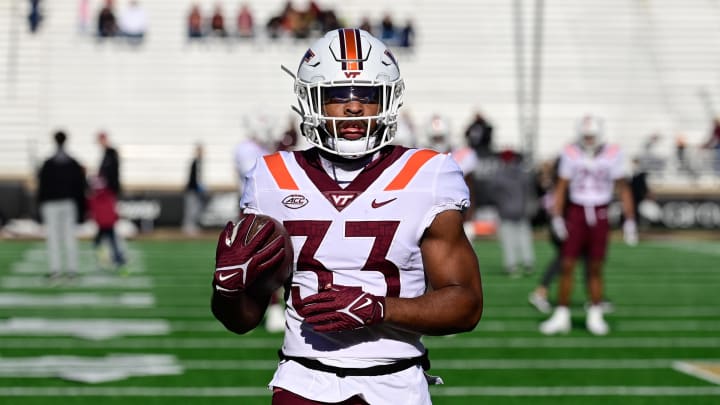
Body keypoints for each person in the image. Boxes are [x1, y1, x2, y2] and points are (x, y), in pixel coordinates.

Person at [211, 29, 483, 404]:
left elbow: (465, 305)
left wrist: (378, 308)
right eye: (337, 94)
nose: (354, 107)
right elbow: (242, 320)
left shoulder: (429, 174)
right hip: (303, 380)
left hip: (397, 384)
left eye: (367, 95)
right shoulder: (270, 178)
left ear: (388, 98)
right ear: (311, 99)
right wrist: (227, 289)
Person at [540, 115, 637, 336]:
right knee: (567, 265)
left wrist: (630, 220)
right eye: (586, 136)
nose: (589, 140)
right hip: (576, 211)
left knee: (595, 267)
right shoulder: (570, 152)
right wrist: (557, 216)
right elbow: (562, 186)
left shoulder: (613, 153)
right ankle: (562, 314)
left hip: (600, 211)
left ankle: (595, 313)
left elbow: (623, 187)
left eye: (592, 136)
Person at [37, 131, 87, 279]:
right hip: (68, 203)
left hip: (51, 204)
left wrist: (40, 206)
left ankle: (55, 270)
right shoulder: (73, 163)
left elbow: (42, 186)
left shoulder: (48, 163)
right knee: (69, 236)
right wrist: (82, 208)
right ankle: (72, 270)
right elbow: (80, 187)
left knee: (53, 237)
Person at [488, 150, 535, 277]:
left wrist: (500, 203)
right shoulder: (523, 174)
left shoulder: (498, 174)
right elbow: (528, 191)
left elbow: (493, 192)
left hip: (505, 210)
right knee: (524, 238)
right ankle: (528, 262)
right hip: (521, 209)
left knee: (508, 240)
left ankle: (511, 265)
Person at [87, 176, 125, 269]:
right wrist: (115, 218)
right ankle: (116, 258)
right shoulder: (109, 195)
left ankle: (110, 259)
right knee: (111, 241)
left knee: (99, 242)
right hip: (109, 222)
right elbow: (113, 209)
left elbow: (93, 211)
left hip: (103, 223)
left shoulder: (93, 197)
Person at [183, 143, 206, 236]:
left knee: (196, 208)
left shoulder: (199, 162)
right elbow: (194, 178)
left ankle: (192, 226)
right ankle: (188, 227)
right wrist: (198, 187)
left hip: (195, 189)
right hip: (192, 189)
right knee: (191, 209)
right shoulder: (195, 162)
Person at [97, 131, 121, 196]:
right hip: (106, 186)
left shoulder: (111, 152)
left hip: (110, 186)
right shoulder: (106, 153)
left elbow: (111, 170)